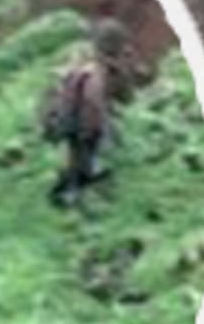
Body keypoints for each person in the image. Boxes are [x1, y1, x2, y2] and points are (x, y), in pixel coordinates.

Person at [41, 17, 139, 208]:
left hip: (71, 121)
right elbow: (94, 102)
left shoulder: (83, 67)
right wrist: (103, 128)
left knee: (78, 157)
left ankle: (72, 190)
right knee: (83, 158)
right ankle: (70, 192)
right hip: (84, 125)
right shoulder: (95, 75)